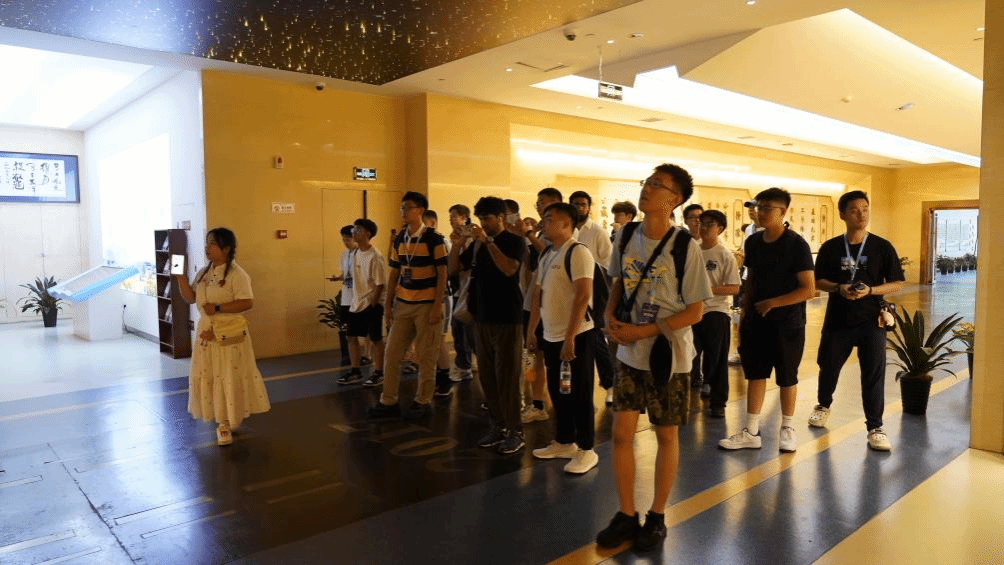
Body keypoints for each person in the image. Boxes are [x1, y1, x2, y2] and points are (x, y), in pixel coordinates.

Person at [596, 164, 711, 552]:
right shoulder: (626, 234)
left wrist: (642, 332)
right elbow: (618, 283)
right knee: (621, 434)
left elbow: (695, 311)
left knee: (665, 434)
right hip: (630, 353)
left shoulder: (684, 246)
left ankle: (657, 516)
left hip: (669, 357)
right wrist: (609, 315)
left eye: (657, 185)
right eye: (647, 182)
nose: (647, 188)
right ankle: (626, 514)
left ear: (674, 199)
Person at [719, 187, 815, 453]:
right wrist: (745, 311)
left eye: (766, 208)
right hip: (756, 322)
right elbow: (752, 280)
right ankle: (751, 431)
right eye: (758, 207)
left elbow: (808, 289)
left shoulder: (796, 245)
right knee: (756, 374)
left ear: (782, 212)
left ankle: (787, 428)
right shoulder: (753, 242)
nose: (759, 212)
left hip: (787, 324)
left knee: (787, 377)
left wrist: (774, 302)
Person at [811, 191, 904, 451]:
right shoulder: (831, 247)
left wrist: (871, 290)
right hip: (838, 320)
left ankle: (875, 427)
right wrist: (838, 287)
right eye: (854, 210)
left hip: (871, 321)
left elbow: (897, 283)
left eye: (865, 208)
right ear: (842, 214)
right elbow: (817, 281)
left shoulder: (882, 247)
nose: (861, 214)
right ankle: (823, 405)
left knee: (873, 373)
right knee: (828, 366)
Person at [174, 228, 270, 446]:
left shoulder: (237, 274)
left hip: (228, 333)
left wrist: (218, 307)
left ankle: (226, 422)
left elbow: (247, 302)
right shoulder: (203, 273)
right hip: (206, 334)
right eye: (206, 243)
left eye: (212, 244)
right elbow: (190, 297)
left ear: (226, 249)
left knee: (228, 374)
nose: (207, 247)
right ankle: (220, 417)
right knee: (210, 374)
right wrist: (180, 277)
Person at [451, 196, 527, 454]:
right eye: (480, 219)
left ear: (501, 217)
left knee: (507, 376)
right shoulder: (476, 245)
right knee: (487, 376)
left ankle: (515, 430)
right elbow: (453, 268)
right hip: (481, 317)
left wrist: (488, 242)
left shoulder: (514, 241)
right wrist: (456, 245)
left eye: (487, 218)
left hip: (508, 318)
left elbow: (509, 269)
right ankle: (498, 425)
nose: (483, 223)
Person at [527, 202, 598, 474]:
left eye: (548, 219)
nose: (542, 224)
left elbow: (583, 295)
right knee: (559, 392)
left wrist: (569, 338)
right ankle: (564, 441)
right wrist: (532, 330)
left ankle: (587, 449)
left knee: (580, 392)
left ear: (566, 224)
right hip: (551, 335)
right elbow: (538, 295)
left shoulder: (578, 252)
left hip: (577, 335)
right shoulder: (547, 253)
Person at [367, 192, 448, 420]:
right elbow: (394, 273)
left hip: (426, 305)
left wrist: (437, 307)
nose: (403, 212)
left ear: (420, 210)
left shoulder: (434, 239)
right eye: (402, 208)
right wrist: (388, 305)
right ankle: (388, 401)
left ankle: (422, 401)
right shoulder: (399, 238)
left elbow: (442, 274)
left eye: (408, 208)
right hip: (403, 304)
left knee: (426, 356)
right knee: (392, 354)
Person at [519, 187, 563, 424]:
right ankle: (536, 402)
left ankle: (564, 403)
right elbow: (530, 265)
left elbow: (549, 254)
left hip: (553, 307)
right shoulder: (540, 233)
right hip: (532, 302)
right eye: (537, 204)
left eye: (542, 203)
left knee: (555, 359)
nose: (538, 207)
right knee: (531, 355)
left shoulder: (562, 235)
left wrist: (530, 235)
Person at [568, 190, 616, 404]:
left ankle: (609, 384)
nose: (579, 208)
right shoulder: (567, 229)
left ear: (589, 207)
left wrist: (587, 267)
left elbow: (609, 264)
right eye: (575, 204)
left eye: (583, 204)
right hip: (568, 294)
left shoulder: (597, 232)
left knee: (596, 340)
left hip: (593, 295)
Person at [694, 210, 741, 417]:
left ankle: (718, 402)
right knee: (689, 355)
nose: (704, 228)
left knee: (717, 357)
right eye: (701, 223)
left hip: (716, 311)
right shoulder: (692, 250)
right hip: (692, 310)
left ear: (720, 228)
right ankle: (695, 388)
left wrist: (707, 290)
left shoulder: (724, 255)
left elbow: (734, 287)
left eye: (709, 224)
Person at [337, 219, 387, 388]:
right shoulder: (356, 253)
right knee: (351, 337)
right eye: (354, 229)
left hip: (372, 303)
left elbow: (380, 284)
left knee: (375, 338)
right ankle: (355, 371)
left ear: (368, 234)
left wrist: (373, 304)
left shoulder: (375, 256)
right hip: (356, 303)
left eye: (358, 229)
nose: (354, 232)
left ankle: (379, 373)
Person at [423, 209, 456, 397]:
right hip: (425, 297)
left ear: (433, 223)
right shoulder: (416, 242)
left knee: (439, 338)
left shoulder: (442, 242)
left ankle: (445, 378)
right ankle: (437, 375)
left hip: (442, 296)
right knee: (430, 339)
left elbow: (446, 272)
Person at [448, 204, 476, 381]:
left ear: (465, 218)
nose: (451, 220)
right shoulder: (454, 239)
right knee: (459, 330)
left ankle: (466, 366)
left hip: (470, 291)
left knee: (466, 331)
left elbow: (467, 263)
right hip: (458, 290)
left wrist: (463, 242)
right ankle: (465, 365)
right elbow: (452, 268)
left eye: (454, 216)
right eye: (450, 217)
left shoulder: (473, 239)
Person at [327, 225, 357, 367]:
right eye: (344, 240)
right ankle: (348, 356)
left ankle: (367, 355)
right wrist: (337, 278)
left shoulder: (362, 253)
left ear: (355, 238)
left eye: (348, 239)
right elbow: (345, 274)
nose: (346, 242)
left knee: (364, 329)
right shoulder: (344, 255)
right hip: (347, 295)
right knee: (346, 328)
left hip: (359, 296)